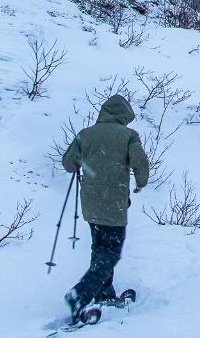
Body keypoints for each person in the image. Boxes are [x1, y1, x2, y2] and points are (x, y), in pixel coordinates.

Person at [60, 93, 150, 324]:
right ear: (123, 116)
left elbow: (69, 163)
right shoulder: (129, 135)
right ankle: (80, 294)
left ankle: (104, 293)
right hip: (114, 202)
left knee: (99, 247)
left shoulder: (86, 134)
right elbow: (139, 162)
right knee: (110, 252)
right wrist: (141, 182)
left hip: (90, 202)